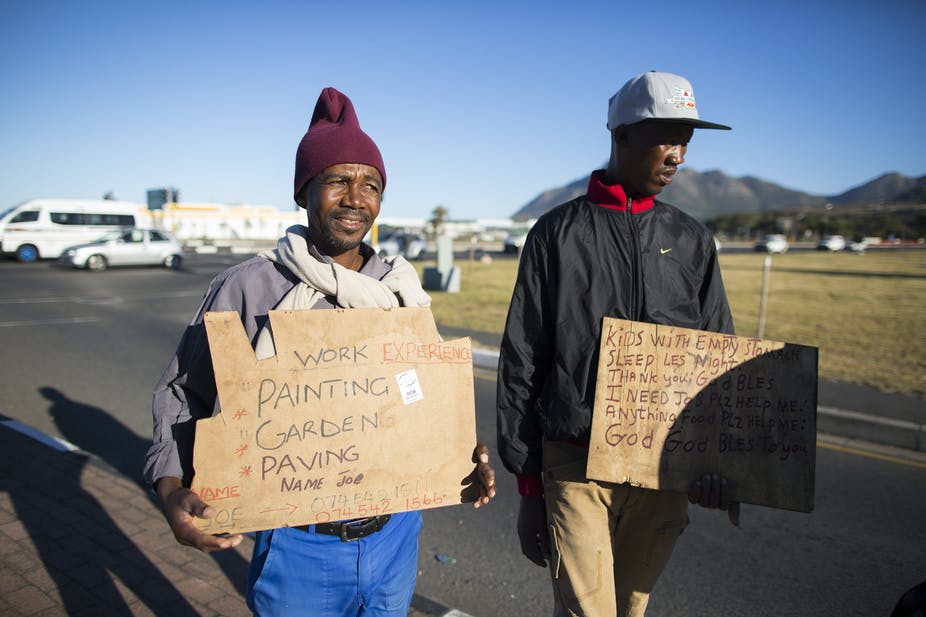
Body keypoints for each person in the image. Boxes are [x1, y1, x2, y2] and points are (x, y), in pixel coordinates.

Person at [144, 87, 496, 617]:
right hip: (296, 540)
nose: (357, 197)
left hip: (395, 535)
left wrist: (459, 452)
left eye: (371, 185)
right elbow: (183, 393)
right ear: (303, 190)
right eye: (338, 181)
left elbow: (419, 391)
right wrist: (171, 490)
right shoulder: (248, 289)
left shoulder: (399, 290)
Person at [496, 71, 738, 617]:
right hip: (575, 466)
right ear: (622, 135)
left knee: (630, 608)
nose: (678, 154)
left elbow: (718, 359)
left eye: (686, 141)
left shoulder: (693, 240)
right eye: (667, 137)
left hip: (663, 471)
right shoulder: (555, 234)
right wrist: (530, 490)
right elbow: (523, 361)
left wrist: (719, 459)